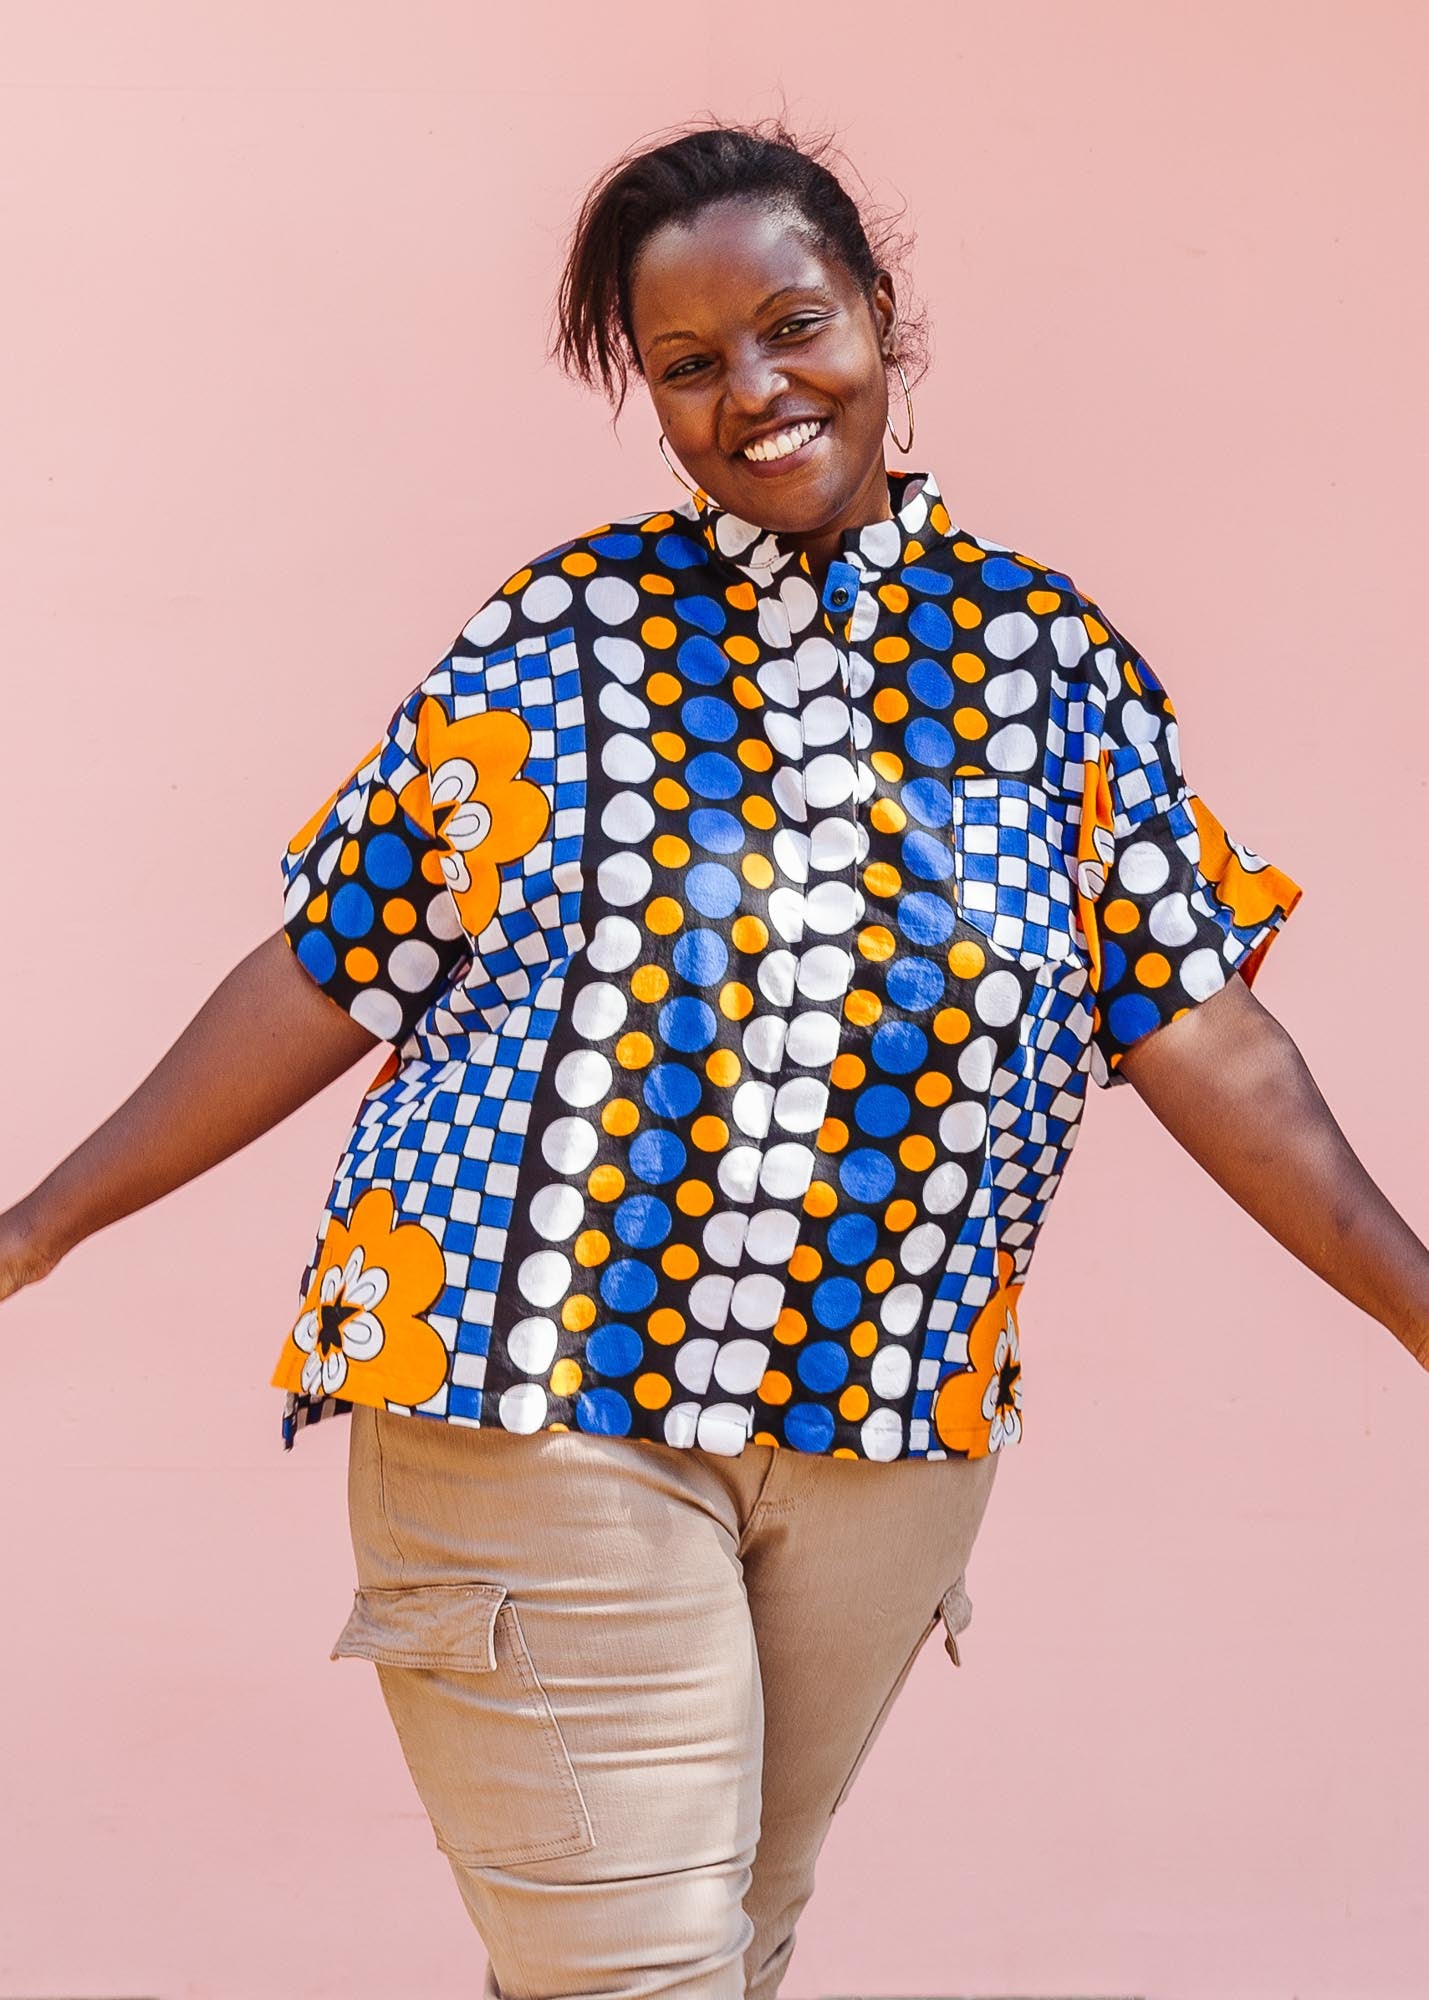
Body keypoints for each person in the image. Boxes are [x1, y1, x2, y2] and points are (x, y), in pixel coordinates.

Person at [4, 116, 1427, 2000]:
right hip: (533, 1370)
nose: (751, 392)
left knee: (721, 1955)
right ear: (650, 399)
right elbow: (338, 959)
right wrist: (44, 1225)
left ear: (880, 315)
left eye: (790, 325)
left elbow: (1203, 1033)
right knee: (637, 1979)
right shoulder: (555, 636)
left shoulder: (1047, 662)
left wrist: (1416, 1308)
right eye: (688, 367)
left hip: (881, 1416)